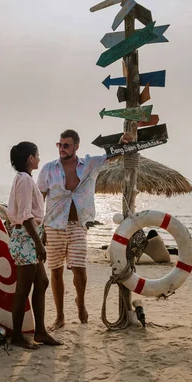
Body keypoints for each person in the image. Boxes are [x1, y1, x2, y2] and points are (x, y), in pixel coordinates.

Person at [37, 129, 132, 328]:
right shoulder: (48, 169)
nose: (62, 149)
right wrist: (40, 228)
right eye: (59, 145)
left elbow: (112, 155)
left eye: (66, 145)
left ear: (76, 146)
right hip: (53, 225)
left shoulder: (89, 164)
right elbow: (40, 198)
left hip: (78, 225)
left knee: (79, 269)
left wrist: (123, 141)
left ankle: (80, 303)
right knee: (56, 271)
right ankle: (60, 316)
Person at [7, 141, 62, 350]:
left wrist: (41, 234)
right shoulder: (24, 180)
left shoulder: (26, 179)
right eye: (37, 155)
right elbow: (25, 215)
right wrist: (38, 243)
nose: (39, 158)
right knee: (23, 289)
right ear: (30, 158)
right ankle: (18, 337)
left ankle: (40, 331)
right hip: (26, 238)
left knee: (42, 282)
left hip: (30, 237)